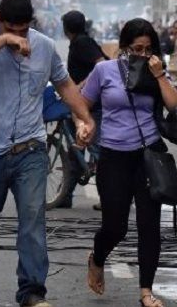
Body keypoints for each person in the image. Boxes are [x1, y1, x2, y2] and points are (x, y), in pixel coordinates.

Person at [0, 0, 95, 307]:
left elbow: (64, 84)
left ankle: (31, 290)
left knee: (33, 220)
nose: (20, 35)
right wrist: (4, 41)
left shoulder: (44, 46)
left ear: (31, 23)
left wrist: (84, 117)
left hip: (30, 149)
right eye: (11, 28)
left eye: (23, 29)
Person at [79, 18, 177, 307]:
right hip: (113, 157)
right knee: (115, 226)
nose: (141, 54)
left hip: (148, 157)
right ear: (124, 47)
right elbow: (82, 104)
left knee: (149, 226)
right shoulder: (104, 71)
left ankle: (146, 292)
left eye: (148, 49)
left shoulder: (155, 71)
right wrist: (84, 125)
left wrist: (160, 76)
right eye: (136, 48)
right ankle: (97, 257)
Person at [59, 10, 107, 209]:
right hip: (80, 104)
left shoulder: (83, 43)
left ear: (66, 28)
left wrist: (81, 87)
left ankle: (110, 197)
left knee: (97, 150)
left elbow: (102, 65)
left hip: (91, 106)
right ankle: (65, 197)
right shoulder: (80, 41)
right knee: (74, 150)